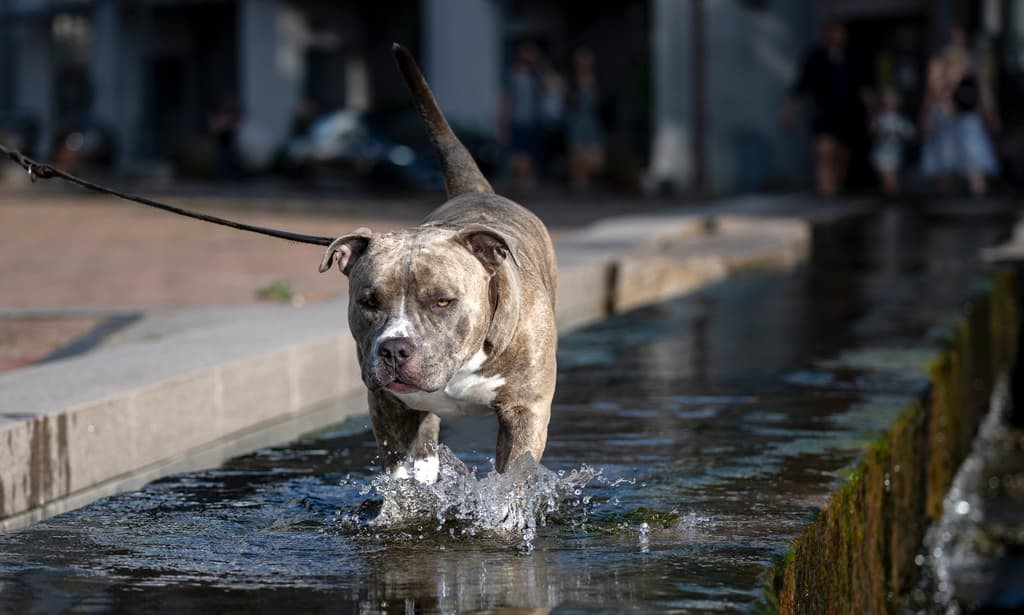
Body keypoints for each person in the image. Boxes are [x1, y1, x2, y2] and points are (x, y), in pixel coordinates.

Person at [784, 21, 873, 197]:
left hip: (849, 115)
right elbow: (801, 86)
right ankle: (826, 194)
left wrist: (872, 115)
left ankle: (835, 192)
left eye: (839, 32)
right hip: (824, 113)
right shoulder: (816, 57)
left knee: (842, 156)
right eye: (832, 32)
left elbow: (866, 89)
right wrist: (788, 113)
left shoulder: (854, 57)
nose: (836, 36)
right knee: (824, 153)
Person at [498, 42, 544, 191]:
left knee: (528, 154)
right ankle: (518, 183)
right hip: (516, 120)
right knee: (517, 154)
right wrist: (502, 122)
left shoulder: (536, 76)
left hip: (532, 121)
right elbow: (506, 99)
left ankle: (523, 182)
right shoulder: (513, 75)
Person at [565, 47, 605, 191]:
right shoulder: (572, 81)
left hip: (591, 120)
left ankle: (586, 178)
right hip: (577, 119)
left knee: (594, 157)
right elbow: (567, 100)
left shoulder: (595, 79)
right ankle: (580, 182)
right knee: (577, 151)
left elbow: (599, 102)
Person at [871, 89, 915, 195]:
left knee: (893, 181)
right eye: (888, 99)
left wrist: (899, 136)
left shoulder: (902, 119)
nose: (891, 102)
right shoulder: (879, 118)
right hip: (882, 154)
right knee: (886, 181)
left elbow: (911, 135)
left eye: (893, 100)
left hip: (896, 154)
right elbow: (873, 132)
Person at [208, 93, 243, 179]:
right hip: (221, 140)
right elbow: (213, 125)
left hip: (231, 141)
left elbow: (238, 124)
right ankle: (222, 177)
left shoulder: (233, 111)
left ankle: (230, 177)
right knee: (221, 159)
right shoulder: (219, 110)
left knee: (231, 160)